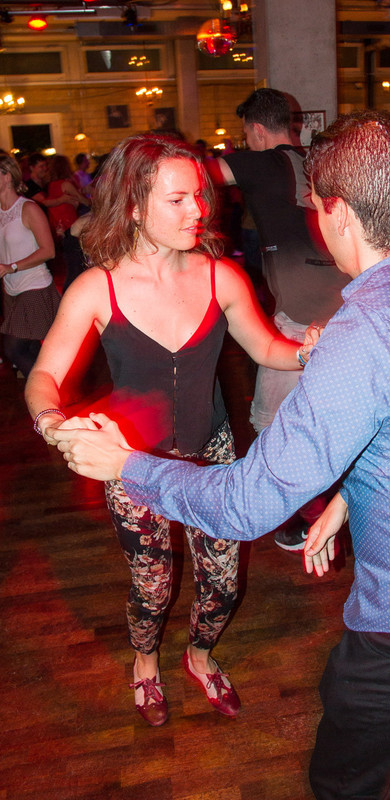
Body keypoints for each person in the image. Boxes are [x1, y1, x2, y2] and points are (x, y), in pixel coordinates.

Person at [50, 112, 390, 799]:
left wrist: (125, 464)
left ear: (338, 214)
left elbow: (247, 506)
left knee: (343, 781)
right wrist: (349, 496)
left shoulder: (364, 335)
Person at [25, 133, 318, 728]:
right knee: (152, 587)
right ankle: (145, 662)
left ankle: (200, 655)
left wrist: (309, 351)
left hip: (212, 458)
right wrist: (54, 424)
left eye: (200, 196)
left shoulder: (221, 277)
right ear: (134, 206)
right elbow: (44, 377)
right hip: (132, 463)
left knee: (223, 583)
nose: (198, 210)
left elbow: (267, 348)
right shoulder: (97, 287)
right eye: (178, 200)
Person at [208, 88, 350, 551]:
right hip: (344, 305)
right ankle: (339, 506)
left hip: (300, 318)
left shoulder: (259, 162)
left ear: (256, 130)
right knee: (335, 417)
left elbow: (191, 174)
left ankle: (309, 517)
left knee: (270, 423)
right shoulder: (316, 160)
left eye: (246, 133)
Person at [0, 154, 57, 377]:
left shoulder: (28, 208)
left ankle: (44, 392)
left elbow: (48, 250)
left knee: (13, 349)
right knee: (31, 349)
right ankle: (52, 390)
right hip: (11, 290)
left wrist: (11, 266)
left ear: (6, 176)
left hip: (34, 287)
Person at [46, 154, 88, 240]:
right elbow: (85, 201)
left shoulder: (51, 185)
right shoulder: (65, 185)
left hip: (58, 224)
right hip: (68, 222)